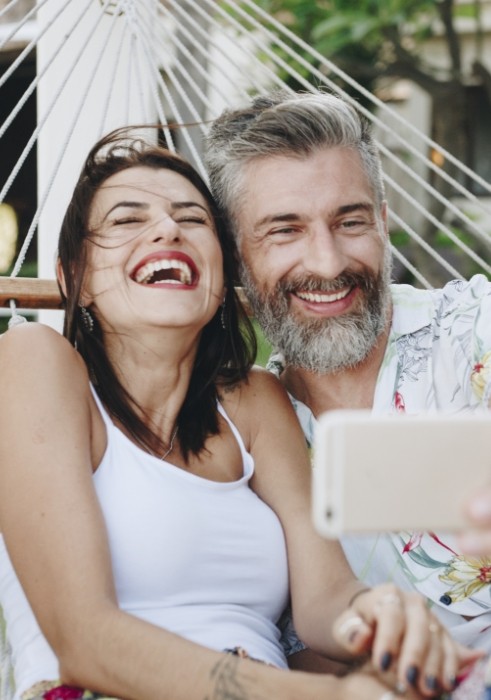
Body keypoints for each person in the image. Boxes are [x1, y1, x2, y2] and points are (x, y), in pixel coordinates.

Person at [0, 128, 465, 700]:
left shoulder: (255, 401)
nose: (167, 228)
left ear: (224, 276)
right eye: (126, 220)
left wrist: (379, 615)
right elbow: (83, 638)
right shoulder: (33, 362)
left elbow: (325, 600)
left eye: (192, 219)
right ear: (75, 276)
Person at [204, 90, 491, 689]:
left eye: (350, 221)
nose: (329, 263)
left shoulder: (475, 330)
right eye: (285, 231)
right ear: (235, 260)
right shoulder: (242, 431)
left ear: (384, 224)